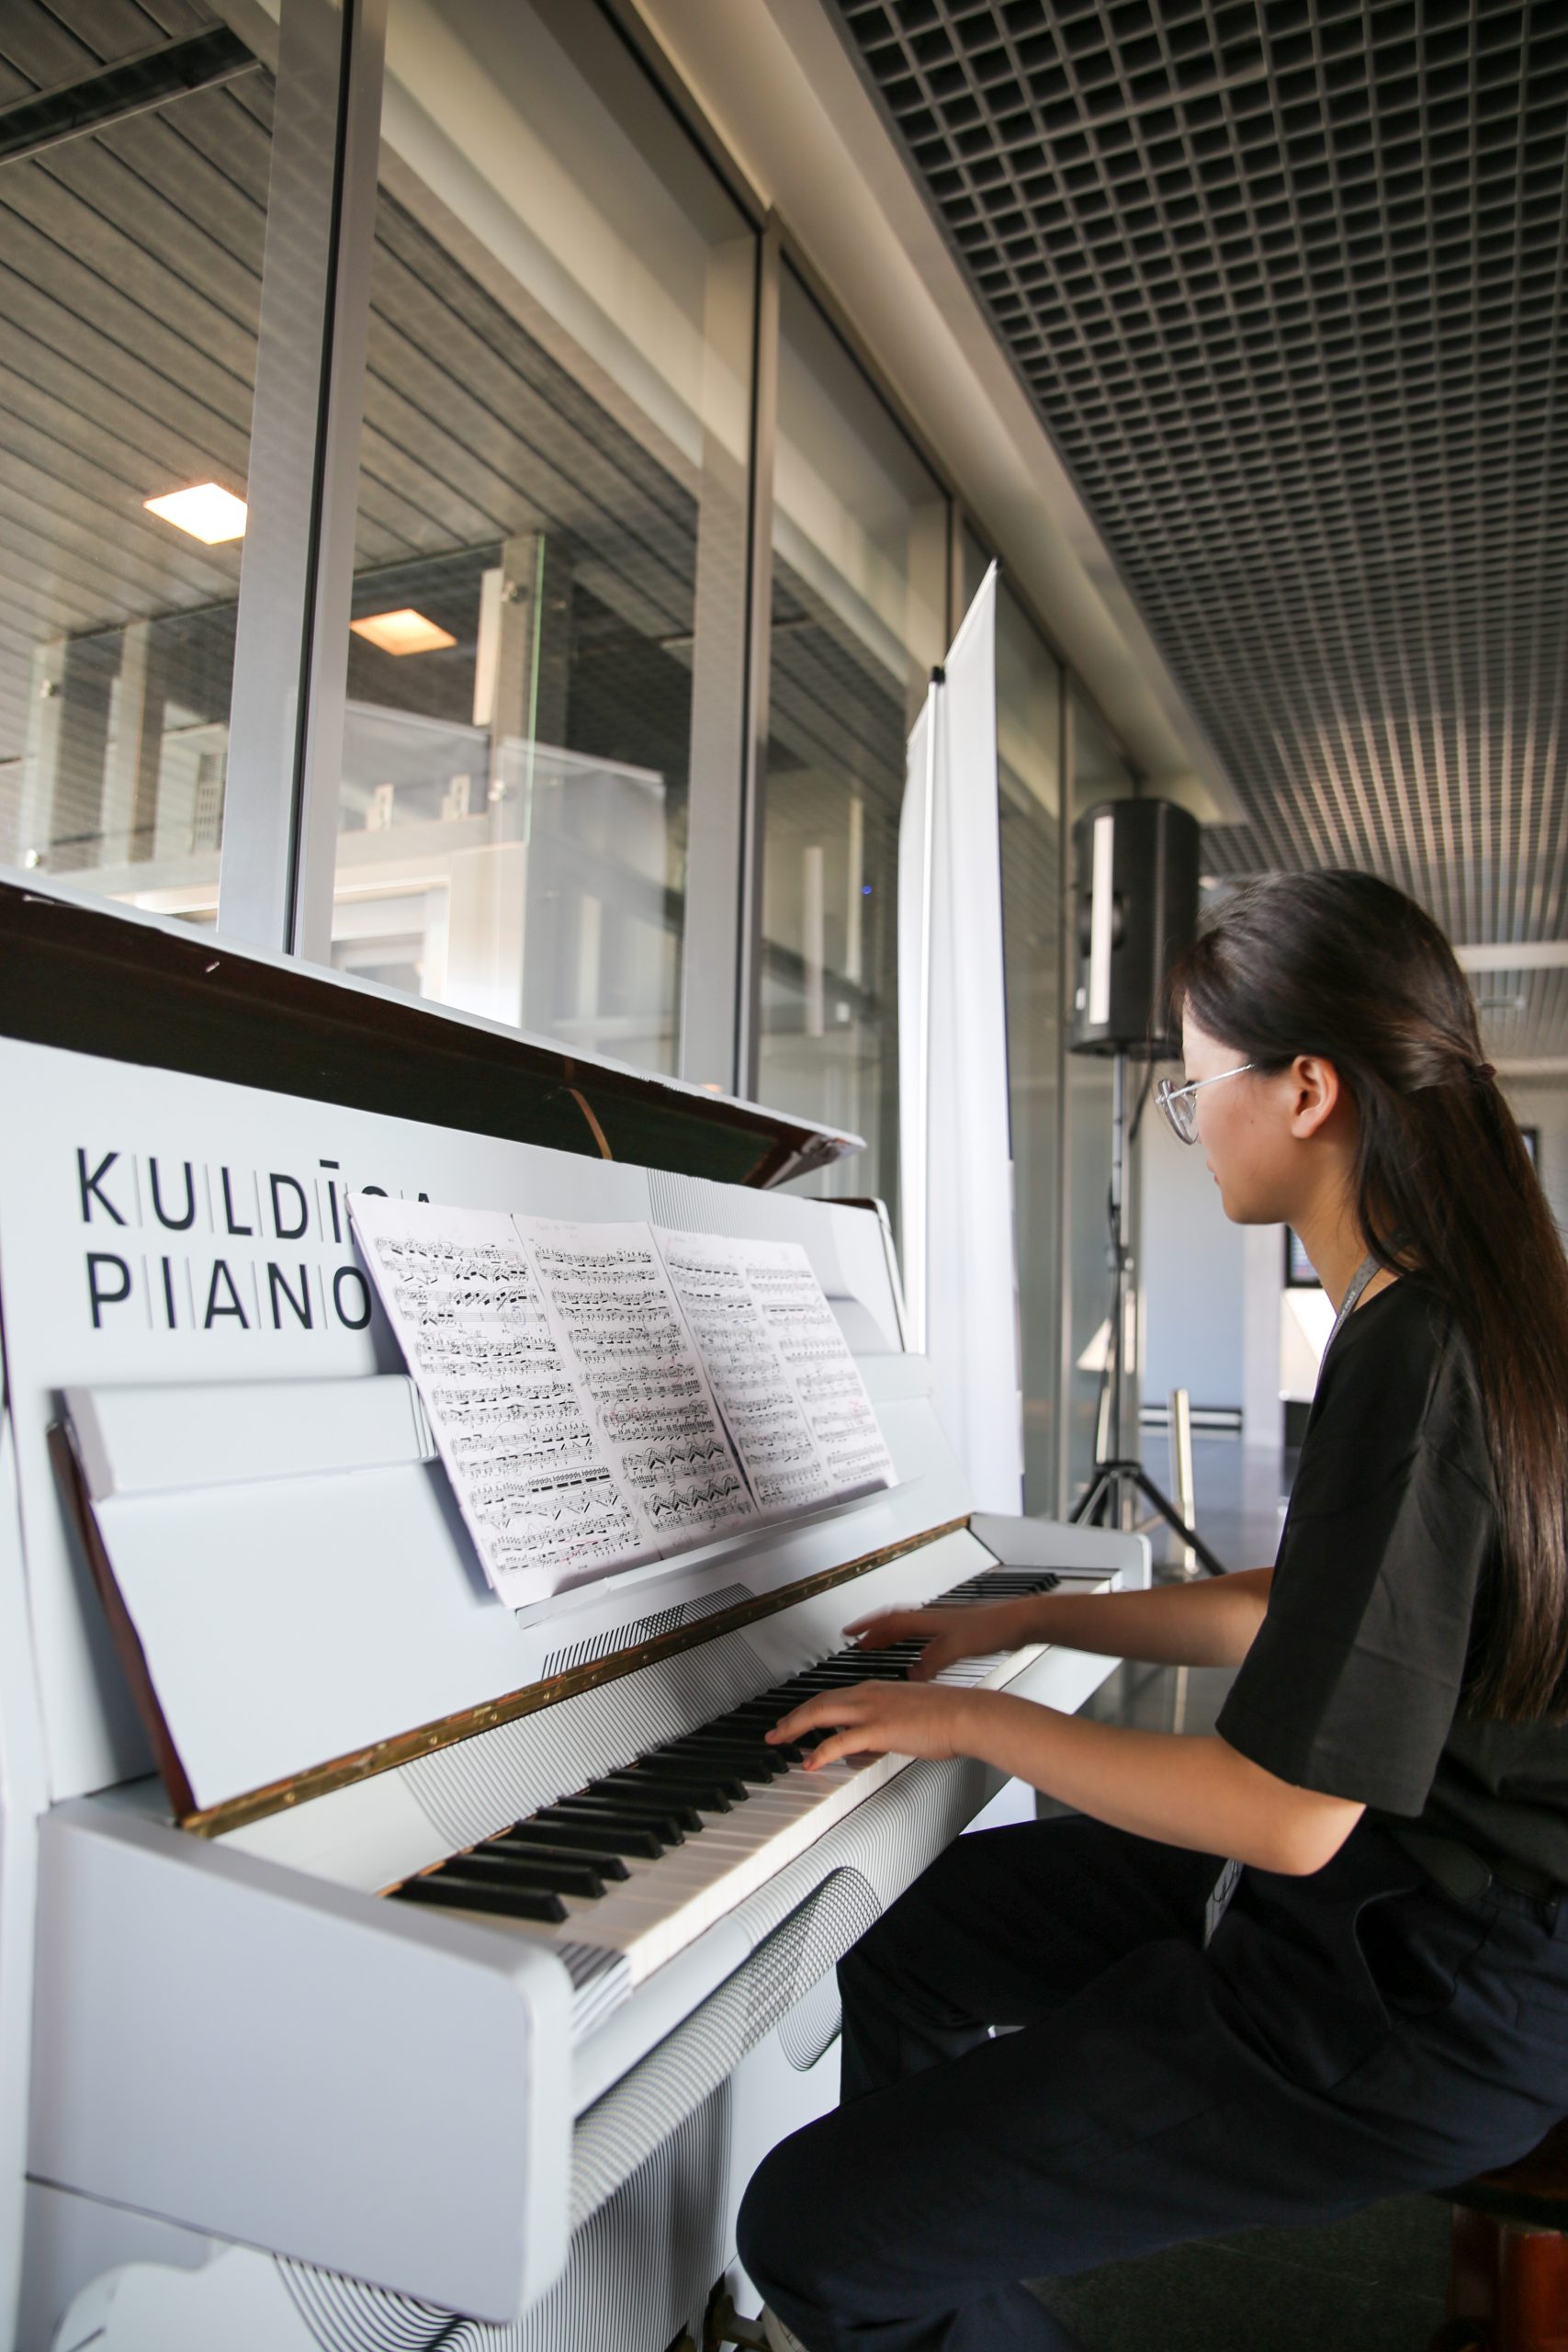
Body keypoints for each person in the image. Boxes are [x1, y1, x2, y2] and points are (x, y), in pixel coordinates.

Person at [737, 869, 1568, 2352]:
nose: (1191, 1128)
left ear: (1306, 1090)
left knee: (805, 2234)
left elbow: (1285, 1815)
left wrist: (965, 1722)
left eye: (1195, 1093)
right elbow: (1306, 1610)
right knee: (909, 1931)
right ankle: (935, 2260)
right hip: (1392, 1909)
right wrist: (1019, 1625)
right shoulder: (1444, 1308)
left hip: (1411, 1995)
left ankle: (894, 2266)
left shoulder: (1418, 1343)